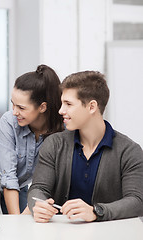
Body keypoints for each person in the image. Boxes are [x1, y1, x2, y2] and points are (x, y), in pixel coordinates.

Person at [27, 71, 143, 222]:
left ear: (91, 107)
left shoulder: (129, 151)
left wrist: (96, 212)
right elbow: (37, 189)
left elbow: (137, 201)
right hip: (59, 233)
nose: (61, 111)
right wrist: (39, 204)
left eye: (68, 104)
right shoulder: (54, 144)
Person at [0, 64, 64, 214]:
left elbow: (51, 182)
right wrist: (16, 221)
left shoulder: (63, 130)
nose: (14, 112)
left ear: (42, 107)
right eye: (12, 104)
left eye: (21, 108)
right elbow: (8, 177)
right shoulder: (9, 122)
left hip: (32, 189)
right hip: (0, 187)